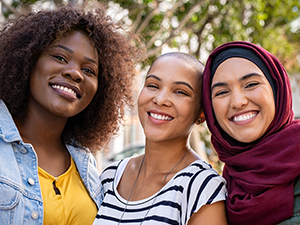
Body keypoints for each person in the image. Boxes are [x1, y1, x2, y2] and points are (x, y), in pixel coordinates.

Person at [0, 2, 144, 225]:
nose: (75, 73)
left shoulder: (85, 164)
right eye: (59, 57)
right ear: (28, 60)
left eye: (88, 70)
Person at [94, 52, 228, 225]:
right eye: (153, 85)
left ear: (201, 114)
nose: (160, 99)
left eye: (180, 92)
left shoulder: (203, 188)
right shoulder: (111, 176)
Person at [202, 41, 300, 225]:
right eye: (222, 92)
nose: (238, 102)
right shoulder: (219, 188)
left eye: (251, 84)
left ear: (277, 89)